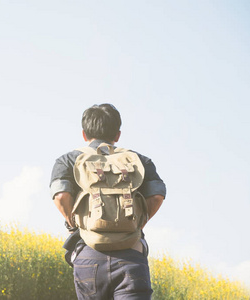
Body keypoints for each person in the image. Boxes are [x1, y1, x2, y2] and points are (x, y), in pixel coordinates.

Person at [50, 104, 166, 300]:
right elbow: (156, 195)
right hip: (131, 252)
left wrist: (73, 223)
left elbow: (61, 195)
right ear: (118, 135)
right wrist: (141, 220)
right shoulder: (139, 161)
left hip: (88, 253)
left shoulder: (69, 160)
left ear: (84, 134)